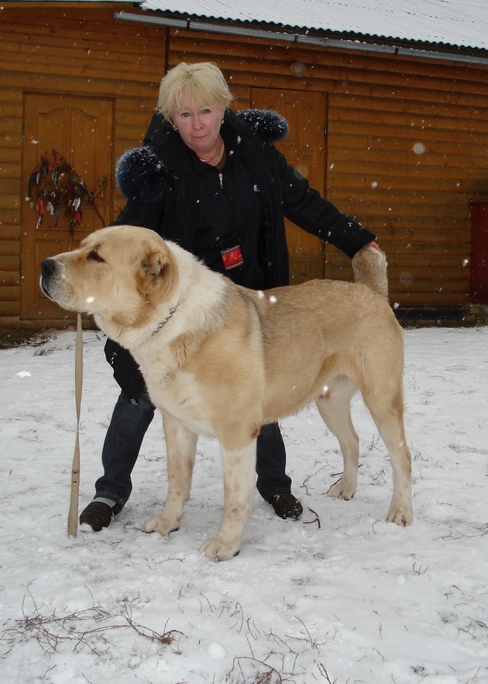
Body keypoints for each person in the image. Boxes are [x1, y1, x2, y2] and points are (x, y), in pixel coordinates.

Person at [80, 62, 377, 532]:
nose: (197, 124)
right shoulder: (159, 168)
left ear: (223, 108)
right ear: (170, 118)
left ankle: (275, 484)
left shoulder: (255, 154)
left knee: (258, 385)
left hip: (252, 296)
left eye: (205, 110)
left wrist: (356, 239)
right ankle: (110, 489)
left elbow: (302, 201)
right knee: (140, 392)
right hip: (182, 309)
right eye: (183, 115)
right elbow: (128, 240)